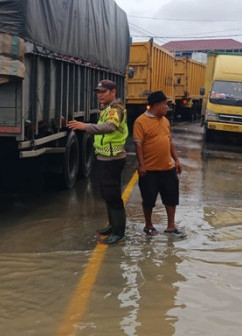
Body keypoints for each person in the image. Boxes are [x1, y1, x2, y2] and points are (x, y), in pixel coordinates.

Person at [67, 79, 128, 245]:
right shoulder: (107, 108)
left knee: (113, 195)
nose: (100, 95)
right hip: (105, 157)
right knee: (107, 193)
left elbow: (110, 127)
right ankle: (112, 225)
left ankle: (119, 231)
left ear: (113, 92)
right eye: (98, 92)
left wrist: (85, 127)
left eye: (104, 92)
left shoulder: (116, 109)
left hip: (113, 159)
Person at [133, 91, 186, 238]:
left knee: (171, 197)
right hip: (149, 170)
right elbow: (138, 145)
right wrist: (141, 165)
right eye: (165, 104)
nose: (167, 108)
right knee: (149, 199)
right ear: (156, 105)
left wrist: (177, 160)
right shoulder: (140, 121)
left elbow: (169, 141)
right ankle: (148, 226)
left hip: (167, 168)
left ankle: (171, 226)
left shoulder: (165, 121)